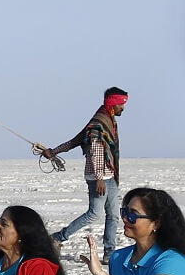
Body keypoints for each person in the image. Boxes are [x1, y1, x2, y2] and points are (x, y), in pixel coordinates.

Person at [35, 87, 127, 260]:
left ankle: (109, 253)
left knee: (113, 215)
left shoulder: (106, 120)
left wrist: (54, 151)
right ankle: (57, 238)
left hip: (109, 175)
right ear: (113, 104)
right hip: (99, 177)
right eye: (122, 104)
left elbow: (75, 140)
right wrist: (99, 178)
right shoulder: (99, 124)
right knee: (94, 214)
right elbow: (96, 150)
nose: (124, 108)